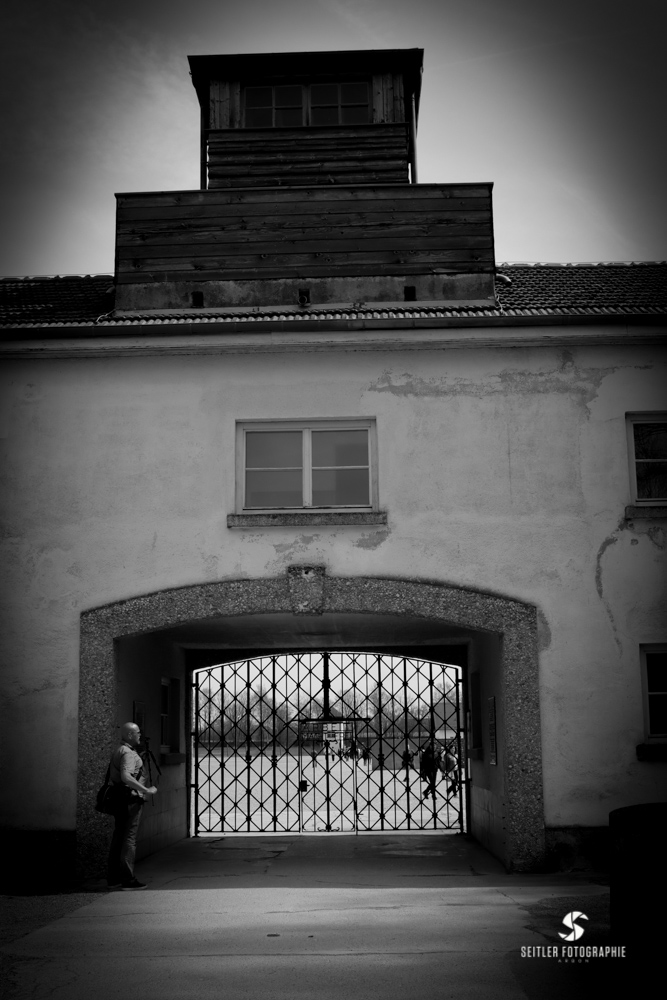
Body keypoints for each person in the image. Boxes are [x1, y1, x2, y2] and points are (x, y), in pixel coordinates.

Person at [106, 722, 157, 890]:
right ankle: (128, 879)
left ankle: (113, 878)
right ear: (129, 735)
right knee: (129, 839)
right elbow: (126, 776)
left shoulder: (121, 750)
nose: (140, 735)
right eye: (137, 733)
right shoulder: (127, 753)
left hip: (121, 799)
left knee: (119, 837)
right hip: (130, 800)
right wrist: (145, 790)